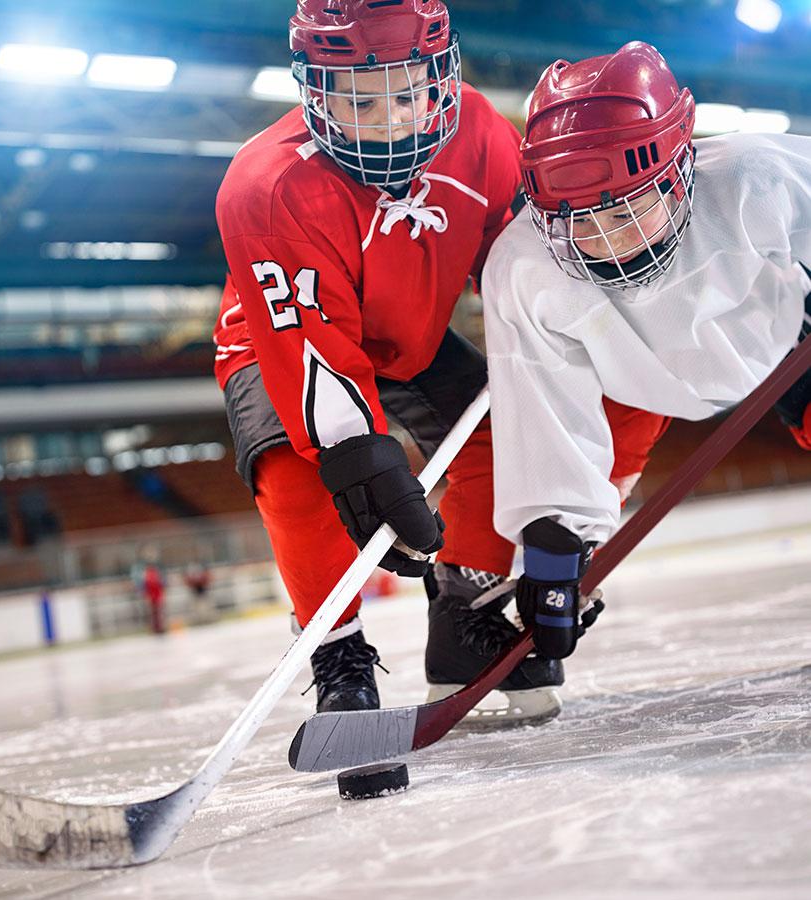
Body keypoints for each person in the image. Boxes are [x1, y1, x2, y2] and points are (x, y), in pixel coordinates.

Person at [213, 1, 667, 718]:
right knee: (295, 469)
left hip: (409, 333)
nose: (388, 118)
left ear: (441, 74)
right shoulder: (263, 186)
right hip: (289, 338)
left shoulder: (484, 135)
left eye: (406, 90)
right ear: (313, 90)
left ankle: (465, 617)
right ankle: (339, 657)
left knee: (505, 432)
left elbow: (523, 270)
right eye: (357, 98)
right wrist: (360, 458)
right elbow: (308, 346)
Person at [482, 42, 810, 662]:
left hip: (780, 340)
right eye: (577, 219)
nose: (605, 241)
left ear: (681, 162)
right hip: (632, 380)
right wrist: (554, 547)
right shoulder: (524, 267)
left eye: (628, 207)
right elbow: (543, 408)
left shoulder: (753, 174)